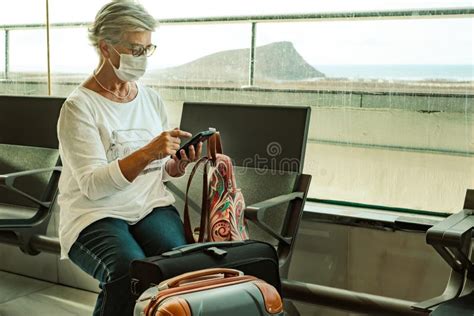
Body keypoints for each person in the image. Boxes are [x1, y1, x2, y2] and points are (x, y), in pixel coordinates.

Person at [56, 1, 201, 315]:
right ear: (106, 49)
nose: (143, 58)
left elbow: (160, 170)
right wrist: (149, 150)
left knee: (177, 263)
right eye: (136, 49)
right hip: (95, 213)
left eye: (148, 49)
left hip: (147, 205)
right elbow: (94, 186)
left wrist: (175, 165)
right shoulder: (79, 107)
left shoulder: (150, 99)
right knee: (126, 271)